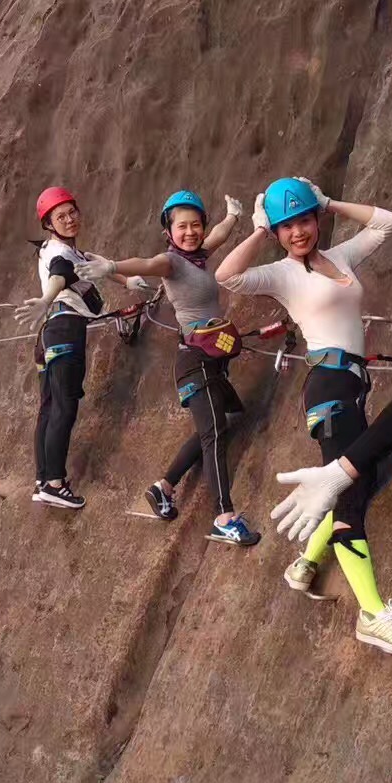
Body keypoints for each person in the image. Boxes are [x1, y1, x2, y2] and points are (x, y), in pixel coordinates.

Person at [215, 177, 392, 655]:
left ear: (317, 219)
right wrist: (259, 230)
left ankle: (306, 563)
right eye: (286, 227)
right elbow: (228, 275)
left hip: (351, 385)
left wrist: (329, 201)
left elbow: (386, 223)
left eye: (304, 219)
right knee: (349, 496)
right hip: (327, 387)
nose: (297, 232)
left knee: (355, 480)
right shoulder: (281, 274)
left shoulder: (343, 257)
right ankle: (371, 614)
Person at [79, 190, 260, 545]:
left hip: (212, 356)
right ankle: (224, 516)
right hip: (195, 361)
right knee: (215, 436)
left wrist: (234, 217)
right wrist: (113, 268)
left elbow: (217, 236)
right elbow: (146, 264)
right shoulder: (172, 262)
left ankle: (163, 487)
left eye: (196, 225)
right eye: (182, 226)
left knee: (217, 423)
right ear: (169, 231)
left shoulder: (199, 256)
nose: (190, 232)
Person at [271, 327, 392, 539]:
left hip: (335, 388)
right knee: (346, 508)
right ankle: (309, 558)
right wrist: (341, 472)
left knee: (347, 503)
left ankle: (309, 558)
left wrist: (342, 471)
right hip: (328, 397)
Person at [14, 187, 110, 510]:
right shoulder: (59, 254)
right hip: (66, 329)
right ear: (48, 224)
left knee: (50, 406)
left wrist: (129, 280)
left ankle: (43, 479)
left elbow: (91, 269)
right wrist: (44, 300)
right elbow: (60, 274)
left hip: (50, 335)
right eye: (61, 216)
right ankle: (55, 483)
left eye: (72, 212)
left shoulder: (66, 251)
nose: (69, 219)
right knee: (64, 408)